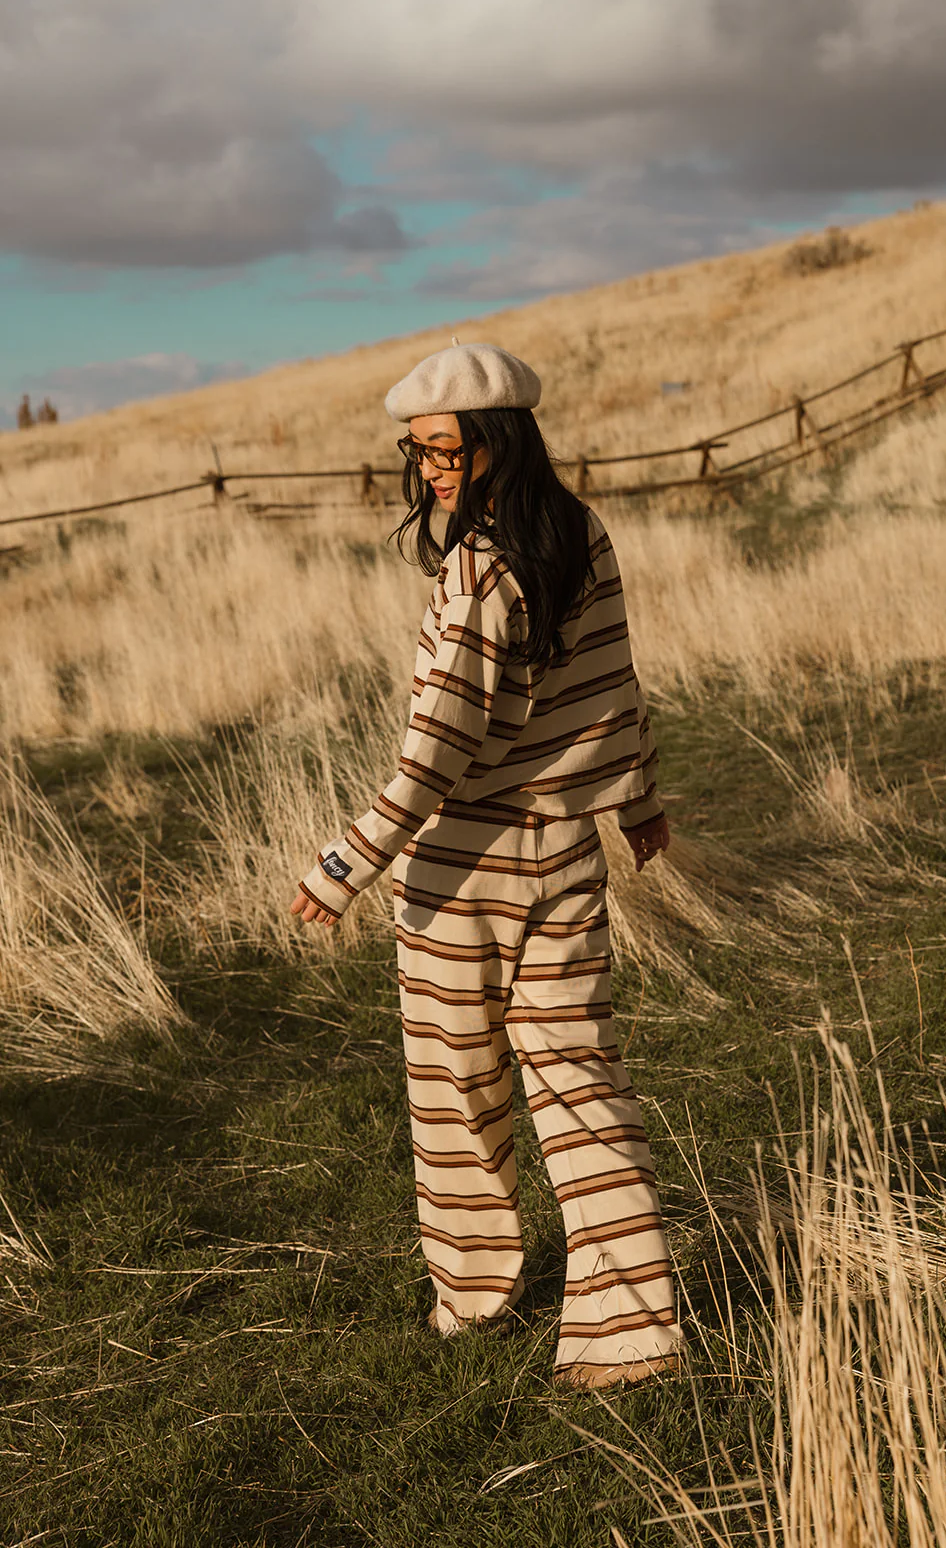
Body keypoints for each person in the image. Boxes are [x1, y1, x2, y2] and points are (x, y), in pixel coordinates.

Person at [291, 341, 682, 1390]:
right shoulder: (580, 533)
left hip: (460, 874)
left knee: (455, 1094)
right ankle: (629, 1333)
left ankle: (475, 1298)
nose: (430, 471)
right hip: (563, 858)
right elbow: (615, 684)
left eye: (446, 450)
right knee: (577, 1082)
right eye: (418, 452)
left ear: (498, 438)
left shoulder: (477, 573)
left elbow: (436, 751)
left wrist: (344, 862)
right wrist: (636, 800)